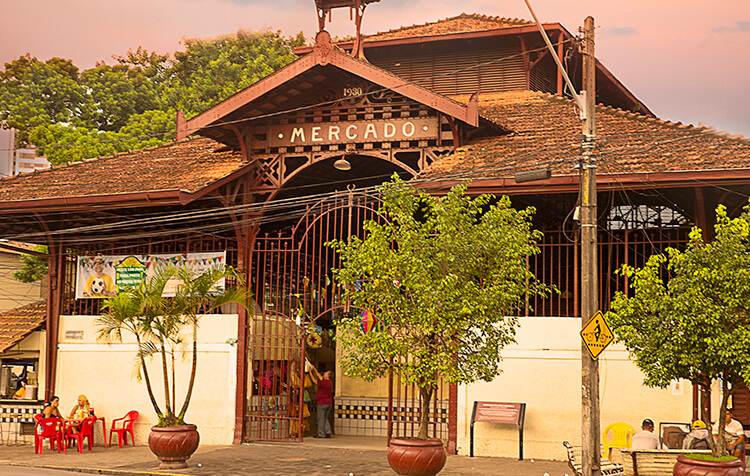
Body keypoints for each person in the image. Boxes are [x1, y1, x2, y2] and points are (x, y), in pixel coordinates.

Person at [311, 368, 333, 438]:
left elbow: (314, 380)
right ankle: (328, 431)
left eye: (326, 373)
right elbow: (319, 376)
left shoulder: (324, 382)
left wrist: (310, 373)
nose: (324, 374)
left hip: (322, 403)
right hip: (328, 403)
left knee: (320, 419)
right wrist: (314, 368)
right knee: (325, 418)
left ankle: (321, 434)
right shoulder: (328, 382)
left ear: (328, 376)